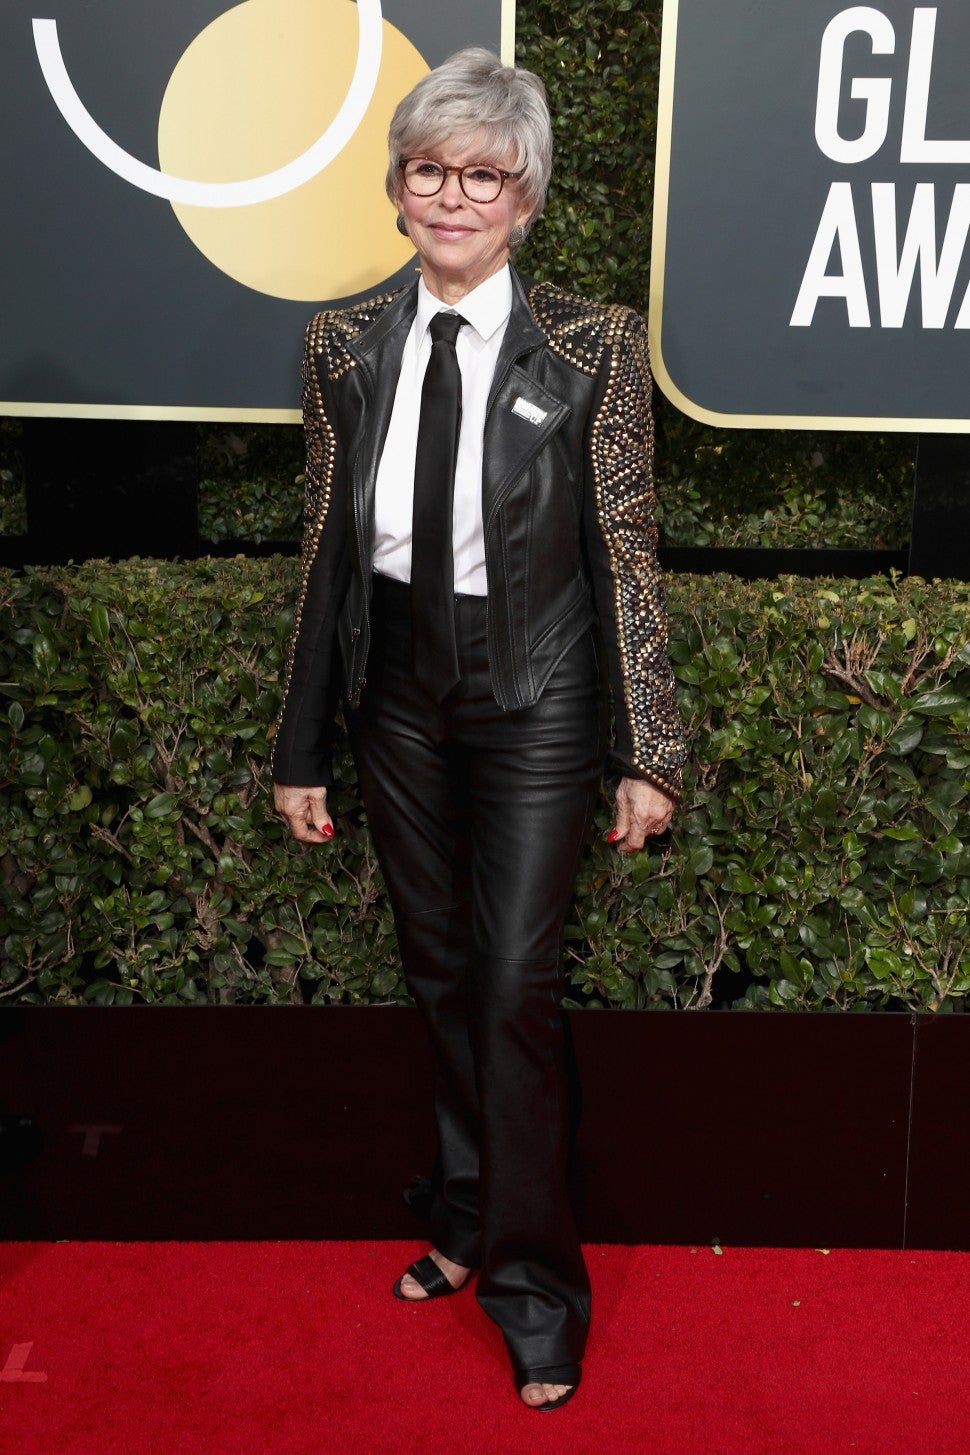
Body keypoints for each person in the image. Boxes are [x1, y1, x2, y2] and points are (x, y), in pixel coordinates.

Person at [272, 47, 686, 1411]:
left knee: (512, 985)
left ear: (525, 199)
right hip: (394, 687)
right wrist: (300, 746)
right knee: (440, 968)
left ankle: (532, 1286)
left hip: (537, 691)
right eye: (429, 170)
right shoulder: (343, 341)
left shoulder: (592, 344)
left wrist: (647, 744)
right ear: (397, 188)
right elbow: (325, 548)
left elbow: (625, 550)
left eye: (483, 176)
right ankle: (462, 1210)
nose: (453, 197)